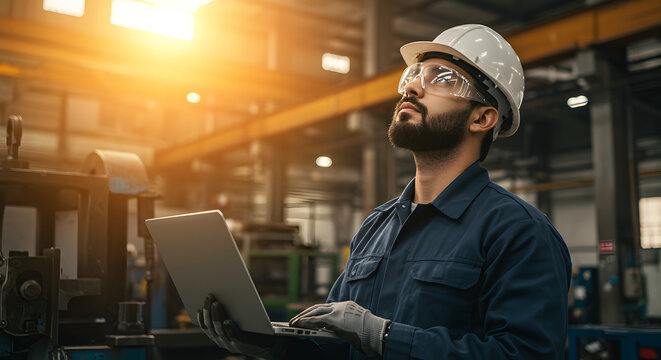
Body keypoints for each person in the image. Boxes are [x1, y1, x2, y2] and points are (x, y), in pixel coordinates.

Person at [198, 24, 572, 360]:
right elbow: (335, 345)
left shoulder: (518, 232)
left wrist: (384, 336)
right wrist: (269, 344)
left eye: (441, 78)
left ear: (482, 118)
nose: (412, 87)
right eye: (414, 75)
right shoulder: (376, 227)